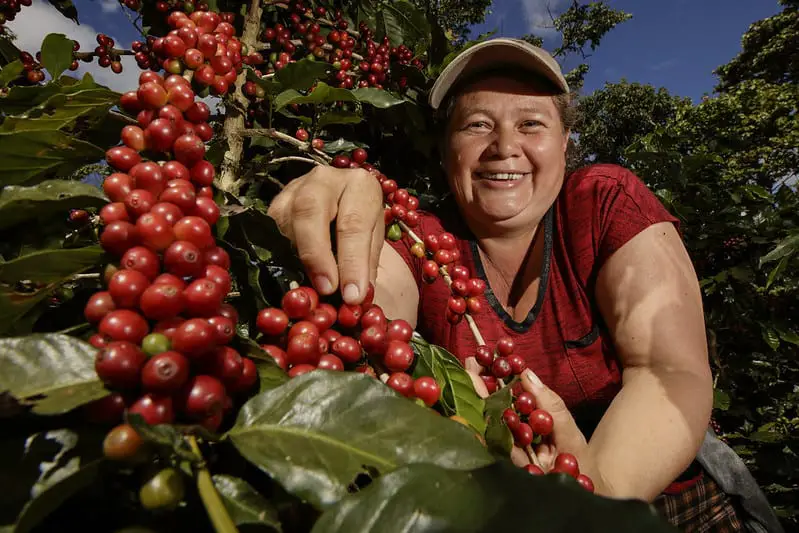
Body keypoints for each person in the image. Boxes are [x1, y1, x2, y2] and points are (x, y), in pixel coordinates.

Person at [268, 38, 783, 532]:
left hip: (672, 503)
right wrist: (337, 233)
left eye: (531, 123)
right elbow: (371, 303)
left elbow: (669, 370)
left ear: (564, 144)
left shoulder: (601, 204)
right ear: (447, 152)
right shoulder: (423, 239)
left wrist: (597, 496)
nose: (504, 147)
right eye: (476, 125)